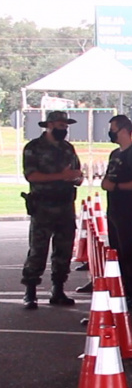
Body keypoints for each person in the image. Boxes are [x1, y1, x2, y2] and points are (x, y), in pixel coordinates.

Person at [20, 111, 83, 309]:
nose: (63, 129)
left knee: (63, 249)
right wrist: (60, 176)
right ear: (49, 125)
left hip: (65, 205)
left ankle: (58, 289)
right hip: (43, 206)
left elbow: (76, 174)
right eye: (59, 125)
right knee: (38, 249)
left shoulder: (68, 149)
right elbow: (32, 176)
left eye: (65, 126)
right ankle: (30, 291)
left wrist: (76, 178)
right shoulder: (34, 148)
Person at [101, 114, 132, 309]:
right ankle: (124, 289)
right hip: (114, 207)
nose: (111, 132)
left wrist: (117, 187)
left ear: (122, 130)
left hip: (128, 208)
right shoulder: (115, 154)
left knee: (128, 251)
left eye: (113, 128)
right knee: (117, 250)